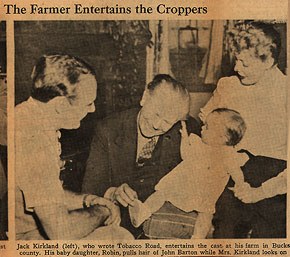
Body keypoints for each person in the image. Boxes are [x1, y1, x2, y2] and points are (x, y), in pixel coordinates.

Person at [16, 54, 133, 240]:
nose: (93, 109)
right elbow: (62, 232)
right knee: (119, 238)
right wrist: (103, 211)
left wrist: (88, 200)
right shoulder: (34, 140)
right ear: (61, 105)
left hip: (32, 227)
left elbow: (48, 194)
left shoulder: (29, 116)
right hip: (21, 238)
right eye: (88, 103)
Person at [82, 74, 201, 238]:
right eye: (157, 114)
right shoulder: (108, 129)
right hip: (118, 225)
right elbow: (91, 187)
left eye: (167, 122)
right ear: (145, 97)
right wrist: (113, 192)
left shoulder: (187, 131)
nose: (156, 125)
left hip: (161, 229)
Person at [200, 21, 287, 238]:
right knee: (226, 229)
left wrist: (261, 192)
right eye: (236, 60)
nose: (237, 68)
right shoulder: (228, 86)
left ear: (269, 61)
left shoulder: (285, 93)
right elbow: (208, 127)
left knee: (269, 232)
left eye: (245, 64)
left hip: (275, 180)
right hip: (230, 170)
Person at [129, 108, 248, 239]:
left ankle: (198, 238)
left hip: (205, 191)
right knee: (161, 193)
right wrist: (184, 137)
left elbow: (236, 171)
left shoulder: (227, 154)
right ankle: (143, 211)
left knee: (206, 214)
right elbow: (185, 154)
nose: (202, 128)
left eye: (207, 127)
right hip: (184, 183)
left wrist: (240, 184)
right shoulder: (198, 144)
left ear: (222, 137)